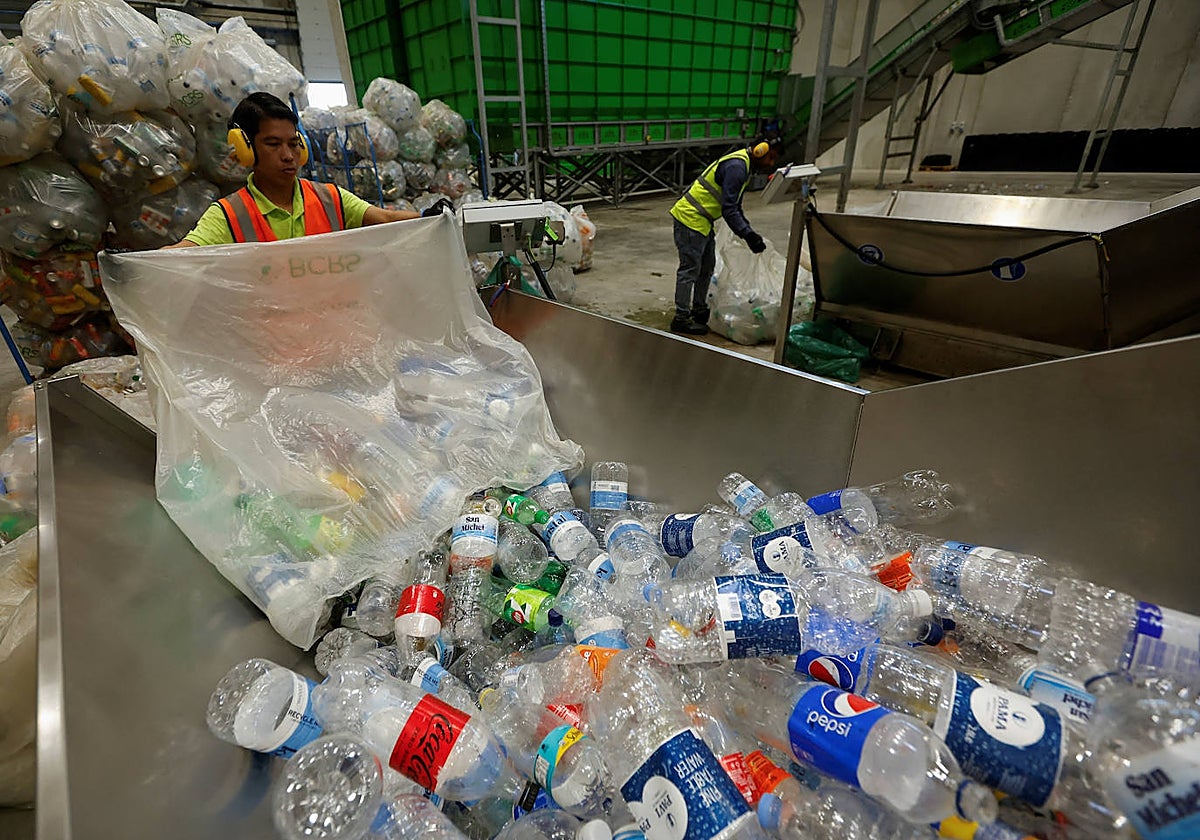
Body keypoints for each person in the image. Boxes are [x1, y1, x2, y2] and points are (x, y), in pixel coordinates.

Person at [166, 92, 449, 248]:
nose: (288, 155)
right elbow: (185, 254)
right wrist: (134, 267)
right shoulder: (229, 215)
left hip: (333, 333)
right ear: (245, 148)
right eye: (273, 144)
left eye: (293, 144)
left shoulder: (330, 199)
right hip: (273, 344)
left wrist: (429, 217)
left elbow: (386, 218)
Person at [667, 139, 780, 334]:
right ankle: (681, 318)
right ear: (760, 151)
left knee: (707, 266)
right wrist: (748, 235)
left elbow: (736, 207)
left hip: (701, 221)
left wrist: (750, 232)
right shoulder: (737, 168)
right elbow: (729, 210)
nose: (770, 164)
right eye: (770, 158)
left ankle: (699, 309)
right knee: (690, 270)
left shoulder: (743, 165)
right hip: (690, 218)